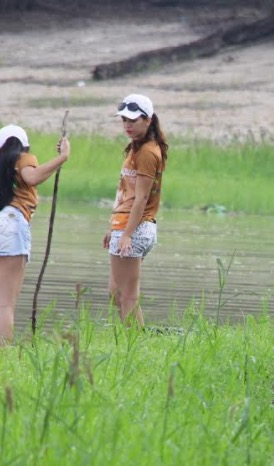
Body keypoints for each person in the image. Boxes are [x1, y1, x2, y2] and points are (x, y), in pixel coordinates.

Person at [0, 124, 70, 348]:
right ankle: (2, 360)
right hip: (6, 223)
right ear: (25, 146)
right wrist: (63, 157)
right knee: (4, 305)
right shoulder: (23, 158)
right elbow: (32, 177)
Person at [103, 93, 168, 327]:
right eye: (124, 121)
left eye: (133, 120)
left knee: (127, 297)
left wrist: (127, 234)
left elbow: (140, 198)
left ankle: (135, 344)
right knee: (115, 294)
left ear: (148, 120)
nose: (127, 125)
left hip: (136, 228)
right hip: (123, 225)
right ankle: (138, 337)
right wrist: (114, 228)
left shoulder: (149, 152)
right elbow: (126, 194)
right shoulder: (135, 148)